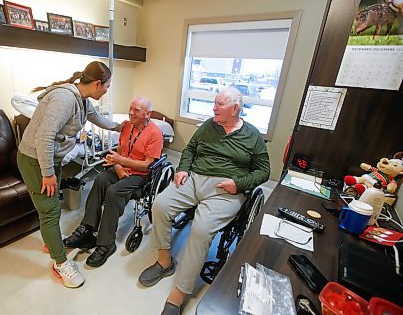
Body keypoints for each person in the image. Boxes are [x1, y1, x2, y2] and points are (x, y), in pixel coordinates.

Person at [138, 88, 270, 315]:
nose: (214, 108)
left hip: (225, 189)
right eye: (214, 103)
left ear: (235, 109)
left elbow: (264, 171)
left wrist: (238, 184)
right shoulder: (209, 125)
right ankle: (164, 262)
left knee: (200, 230)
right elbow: (189, 150)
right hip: (194, 179)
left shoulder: (252, 135)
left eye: (219, 104)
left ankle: (178, 295)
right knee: (160, 204)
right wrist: (182, 169)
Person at [16, 61, 122, 288]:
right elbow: (44, 137)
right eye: (107, 86)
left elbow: (98, 119)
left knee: (52, 205)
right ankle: (60, 263)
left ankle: (51, 242)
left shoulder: (82, 100)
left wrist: (120, 127)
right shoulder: (64, 99)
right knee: (50, 210)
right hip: (35, 160)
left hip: (51, 159)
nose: (107, 90)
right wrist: (47, 174)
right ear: (96, 84)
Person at [64, 96, 164, 267]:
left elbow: (148, 165)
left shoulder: (155, 133)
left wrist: (122, 162)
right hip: (121, 168)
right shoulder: (126, 126)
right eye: (130, 108)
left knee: (113, 191)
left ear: (148, 114)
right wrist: (118, 165)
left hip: (140, 175)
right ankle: (87, 228)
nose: (131, 112)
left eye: (136, 110)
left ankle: (106, 243)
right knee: (101, 179)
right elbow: (120, 151)